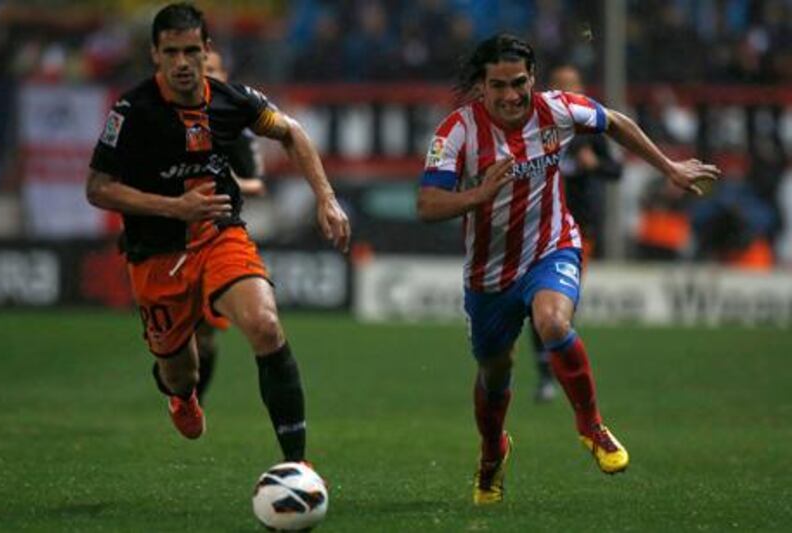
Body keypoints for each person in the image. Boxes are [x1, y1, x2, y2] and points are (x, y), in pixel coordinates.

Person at [417, 34, 719, 505]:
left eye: (519, 83)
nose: (511, 95)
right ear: (481, 87)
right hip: (489, 274)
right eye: (498, 85)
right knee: (495, 373)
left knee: (554, 321)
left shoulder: (557, 110)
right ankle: (493, 450)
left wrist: (668, 168)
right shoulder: (455, 133)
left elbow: (615, 122)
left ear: (532, 79)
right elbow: (428, 203)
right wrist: (477, 196)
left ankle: (591, 426)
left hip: (551, 248)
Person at [86, 3, 350, 468]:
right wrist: (174, 207)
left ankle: (298, 465)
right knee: (181, 371)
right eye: (173, 52)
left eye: (192, 50)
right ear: (155, 55)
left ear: (207, 50)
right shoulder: (132, 111)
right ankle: (181, 394)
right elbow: (98, 189)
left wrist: (326, 197)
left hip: (218, 236)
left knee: (265, 326)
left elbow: (291, 132)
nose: (183, 63)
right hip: (155, 254)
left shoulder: (233, 100)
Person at [528, 64, 623, 403]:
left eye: (573, 85)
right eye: (560, 85)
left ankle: (557, 372)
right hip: (538, 227)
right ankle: (545, 376)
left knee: (560, 302)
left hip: (579, 227)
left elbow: (616, 171)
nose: (567, 91)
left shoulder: (590, 132)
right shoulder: (538, 128)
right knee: (536, 303)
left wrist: (594, 166)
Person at [193, 48, 267, 405]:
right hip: (168, 235)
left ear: (223, 74)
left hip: (217, 233)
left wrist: (223, 181)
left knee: (204, 333)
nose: (204, 74)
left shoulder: (234, 123)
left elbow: (257, 181)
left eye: (211, 68)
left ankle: (194, 402)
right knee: (173, 341)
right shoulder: (165, 115)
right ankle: (181, 393)